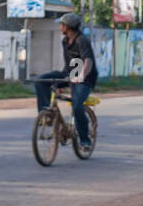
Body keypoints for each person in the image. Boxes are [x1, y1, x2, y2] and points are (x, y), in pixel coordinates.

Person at [34, 13, 98, 153]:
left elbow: (88, 61)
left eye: (61, 24)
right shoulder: (65, 41)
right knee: (40, 81)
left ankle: (85, 140)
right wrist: (61, 82)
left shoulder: (82, 41)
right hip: (68, 75)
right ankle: (46, 114)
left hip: (84, 79)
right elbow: (69, 64)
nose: (60, 27)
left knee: (76, 105)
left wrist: (81, 75)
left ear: (68, 27)